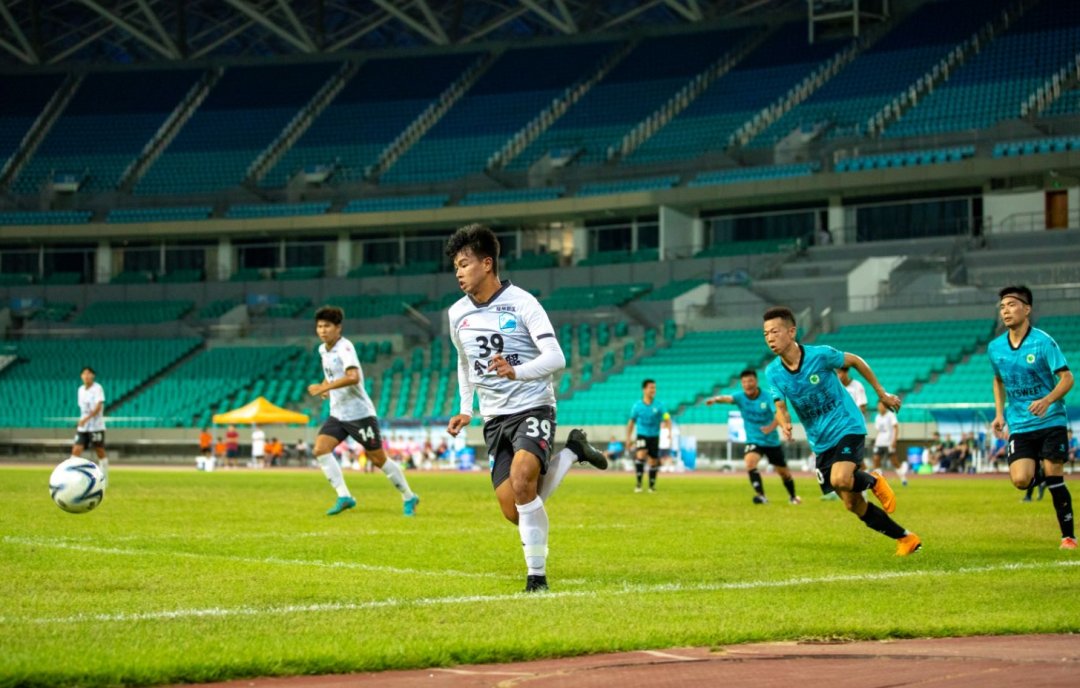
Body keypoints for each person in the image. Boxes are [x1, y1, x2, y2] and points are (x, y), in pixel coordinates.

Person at [444, 223, 608, 593]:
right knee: (512, 508)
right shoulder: (457, 314)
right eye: (455, 266)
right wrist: (466, 409)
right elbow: (464, 362)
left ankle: (537, 577)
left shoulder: (523, 303)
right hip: (492, 417)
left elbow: (556, 358)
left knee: (522, 482)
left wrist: (516, 372)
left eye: (464, 264)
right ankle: (572, 453)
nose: (458, 272)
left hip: (533, 406)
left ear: (487, 264)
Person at [763, 306, 921, 556]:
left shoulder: (820, 355)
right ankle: (906, 538)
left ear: (791, 332)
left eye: (775, 332)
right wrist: (784, 421)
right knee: (852, 504)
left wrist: (881, 393)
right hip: (821, 440)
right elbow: (779, 405)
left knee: (840, 479)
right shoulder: (772, 372)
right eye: (766, 334)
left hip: (847, 424)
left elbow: (855, 361)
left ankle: (874, 480)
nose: (770, 338)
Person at [308, 306, 420, 516]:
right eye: (319, 326)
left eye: (327, 326)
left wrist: (325, 388)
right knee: (320, 449)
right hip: (338, 414)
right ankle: (344, 496)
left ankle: (409, 496)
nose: (323, 331)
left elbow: (353, 377)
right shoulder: (323, 349)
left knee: (378, 460)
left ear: (338, 328)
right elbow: (332, 373)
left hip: (360, 415)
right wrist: (326, 384)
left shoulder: (345, 347)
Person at [989, 285, 1075, 548]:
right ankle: (1039, 466)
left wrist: (1047, 400)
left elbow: (1067, 378)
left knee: (1054, 475)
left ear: (1027, 309)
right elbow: (998, 379)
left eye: (1012, 305)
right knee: (1020, 480)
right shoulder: (995, 347)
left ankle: (1068, 537)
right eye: (1002, 306)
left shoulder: (1043, 342)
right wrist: (999, 413)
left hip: (1051, 419)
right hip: (1019, 423)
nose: (1006, 310)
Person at [706, 369, 801, 505]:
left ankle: (793, 497)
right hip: (754, 440)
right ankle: (761, 496)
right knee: (750, 462)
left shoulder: (767, 396)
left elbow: (778, 414)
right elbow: (727, 398)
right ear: (742, 384)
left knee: (784, 473)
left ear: (756, 381)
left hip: (771, 441)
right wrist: (715, 399)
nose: (747, 384)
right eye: (744, 382)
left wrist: (771, 427)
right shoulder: (740, 397)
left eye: (750, 381)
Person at [627, 379, 671, 493]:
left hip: (654, 436)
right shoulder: (637, 406)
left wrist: (669, 432)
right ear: (644, 389)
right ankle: (639, 484)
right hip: (642, 434)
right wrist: (628, 438)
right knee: (641, 455)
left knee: (653, 461)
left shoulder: (660, 405)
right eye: (651, 387)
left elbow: (667, 418)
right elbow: (631, 422)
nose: (653, 390)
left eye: (654, 388)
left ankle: (651, 486)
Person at [70, 366, 108, 485]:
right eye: (84, 374)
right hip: (83, 426)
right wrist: (83, 420)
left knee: (99, 451)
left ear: (93, 376)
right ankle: (70, 476)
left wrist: (85, 419)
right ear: (81, 376)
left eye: (89, 373)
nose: (86, 376)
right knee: (76, 449)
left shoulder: (97, 388)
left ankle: (104, 477)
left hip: (96, 426)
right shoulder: (80, 390)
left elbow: (98, 407)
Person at [871, 400, 908, 486]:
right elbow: (878, 431)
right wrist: (876, 441)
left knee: (894, 461)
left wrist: (894, 440)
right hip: (879, 443)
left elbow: (896, 428)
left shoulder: (890, 415)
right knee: (876, 459)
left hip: (888, 442)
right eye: (879, 406)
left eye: (882, 405)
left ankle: (903, 479)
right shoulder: (877, 417)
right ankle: (880, 480)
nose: (880, 407)